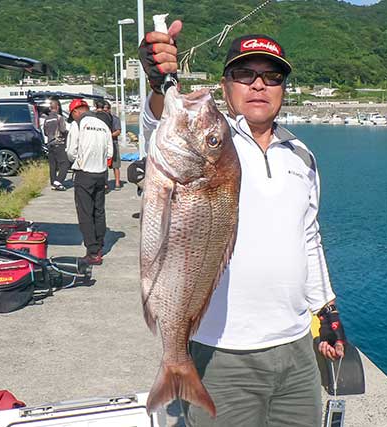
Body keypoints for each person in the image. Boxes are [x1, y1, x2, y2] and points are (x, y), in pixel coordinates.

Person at [139, 23, 347, 427]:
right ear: (225, 85)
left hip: (296, 350)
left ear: (283, 88)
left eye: (272, 76)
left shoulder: (301, 156)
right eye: (243, 74)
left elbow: (308, 239)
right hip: (221, 352)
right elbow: (160, 126)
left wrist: (327, 314)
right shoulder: (214, 141)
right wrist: (159, 80)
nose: (258, 84)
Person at [65, 98, 113, 265]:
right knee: (99, 211)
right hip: (101, 173)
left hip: (84, 173)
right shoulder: (103, 125)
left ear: (75, 112)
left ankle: (92, 252)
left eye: (73, 115)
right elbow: (110, 152)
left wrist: (77, 160)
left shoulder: (77, 125)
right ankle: (99, 245)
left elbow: (71, 151)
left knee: (85, 213)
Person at [42, 98, 69, 191]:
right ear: (57, 107)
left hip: (49, 143)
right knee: (64, 163)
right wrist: (67, 133)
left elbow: (45, 132)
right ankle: (58, 181)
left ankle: (53, 182)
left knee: (52, 165)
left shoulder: (46, 119)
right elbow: (62, 130)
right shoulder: (59, 117)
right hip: (59, 142)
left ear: (50, 108)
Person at [103, 101, 123, 190]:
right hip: (103, 144)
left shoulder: (115, 119)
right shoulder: (100, 119)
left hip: (113, 143)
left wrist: (109, 135)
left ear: (109, 109)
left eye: (106, 110)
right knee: (103, 165)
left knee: (116, 165)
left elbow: (118, 131)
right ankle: (105, 183)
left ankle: (117, 182)